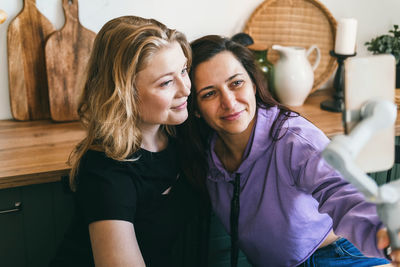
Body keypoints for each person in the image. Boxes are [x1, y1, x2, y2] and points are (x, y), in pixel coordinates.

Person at [178, 34, 400, 267]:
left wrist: (383, 234)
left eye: (236, 83)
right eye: (209, 93)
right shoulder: (207, 153)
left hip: (338, 256)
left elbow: (340, 191)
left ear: (253, 84)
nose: (229, 102)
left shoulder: (294, 139)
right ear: (195, 109)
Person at [50, 16, 206, 267]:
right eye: (166, 82)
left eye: (184, 71)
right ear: (124, 94)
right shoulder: (106, 171)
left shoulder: (178, 132)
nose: (186, 89)